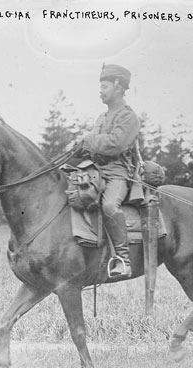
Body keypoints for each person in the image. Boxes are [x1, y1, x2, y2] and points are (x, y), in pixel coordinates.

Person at [76, 64, 141, 278]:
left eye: (104, 86)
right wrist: (77, 147)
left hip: (118, 172)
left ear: (118, 86)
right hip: (97, 170)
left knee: (110, 205)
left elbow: (115, 144)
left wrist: (89, 140)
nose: (100, 90)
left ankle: (123, 259)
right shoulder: (101, 118)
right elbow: (92, 145)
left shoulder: (128, 117)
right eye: (100, 86)